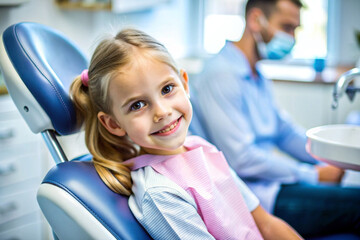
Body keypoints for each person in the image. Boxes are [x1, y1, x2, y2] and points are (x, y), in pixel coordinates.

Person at [69, 28, 302, 239]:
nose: (162, 112)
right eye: (137, 105)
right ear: (113, 124)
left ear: (185, 84)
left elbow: (266, 224)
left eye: (167, 89)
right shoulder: (159, 194)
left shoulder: (202, 148)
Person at [189, 0, 360, 238]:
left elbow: (283, 131)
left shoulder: (257, 73)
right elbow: (242, 159)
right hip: (257, 198)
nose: (292, 38)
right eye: (287, 27)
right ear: (255, 19)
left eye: (295, 30)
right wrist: (314, 174)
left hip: (274, 185)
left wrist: (326, 157)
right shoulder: (221, 75)